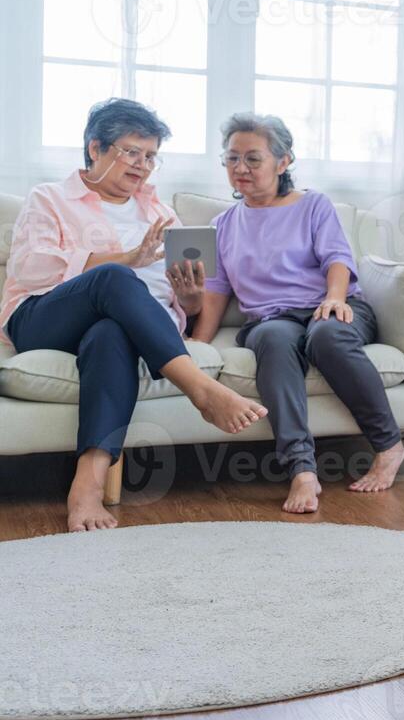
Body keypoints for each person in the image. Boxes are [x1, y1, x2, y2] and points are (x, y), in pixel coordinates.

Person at [1, 99, 268, 532]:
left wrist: (192, 297)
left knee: (111, 333)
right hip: (43, 319)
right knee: (114, 279)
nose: (142, 165)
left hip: (122, 327)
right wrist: (125, 259)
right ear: (95, 149)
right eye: (131, 152)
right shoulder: (49, 199)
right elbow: (32, 268)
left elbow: (186, 307)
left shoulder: (162, 215)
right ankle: (201, 390)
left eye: (150, 156)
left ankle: (87, 484)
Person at [187, 114, 404, 514]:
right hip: (272, 320)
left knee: (326, 335)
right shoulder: (222, 226)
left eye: (253, 159)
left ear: (283, 162)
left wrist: (335, 298)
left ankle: (389, 446)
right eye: (232, 158)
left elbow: (337, 257)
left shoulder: (314, 205)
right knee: (273, 338)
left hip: (333, 305)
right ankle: (302, 470)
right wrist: (197, 343)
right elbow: (216, 293)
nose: (240, 169)